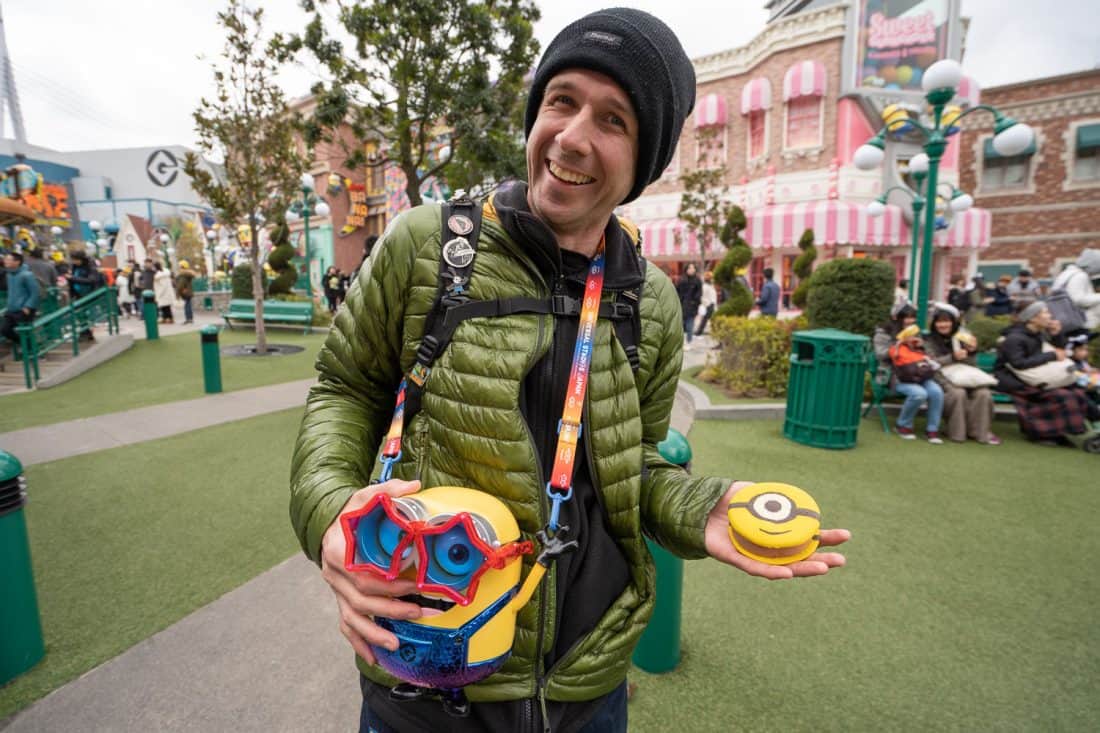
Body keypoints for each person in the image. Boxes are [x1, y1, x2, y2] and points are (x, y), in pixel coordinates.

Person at [289, 10, 848, 733]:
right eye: (562, 100)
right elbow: (346, 388)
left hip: (588, 686)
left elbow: (632, 463)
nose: (574, 135)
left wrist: (697, 506)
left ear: (643, 162)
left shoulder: (648, 299)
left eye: (613, 119)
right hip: (423, 677)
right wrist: (331, 513)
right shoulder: (428, 244)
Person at [993, 301, 1096, 446]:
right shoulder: (1014, 338)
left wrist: (1057, 335)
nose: (1050, 316)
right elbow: (1018, 363)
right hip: (1014, 380)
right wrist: (1051, 356)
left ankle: (1057, 432)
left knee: (1076, 392)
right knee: (1062, 395)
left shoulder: (1038, 334)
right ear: (1032, 318)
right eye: (1045, 312)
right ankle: (1042, 434)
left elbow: (1061, 353)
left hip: (1037, 377)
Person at [924, 304, 1000, 445]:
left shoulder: (963, 337)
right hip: (941, 376)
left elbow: (971, 365)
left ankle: (980, 432)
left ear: (954, 322)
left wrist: (971, 351)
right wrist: (952, 357)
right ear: (934, 323)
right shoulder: (928, 340)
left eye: (947, 321)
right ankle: (956, 432)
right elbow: (931, 363)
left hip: (966, 376)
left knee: (983, 393)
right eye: (939, 321)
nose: (943, 324)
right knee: (958, 393)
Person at [887, 323, 945, 443]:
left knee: (936, 392)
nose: (914, 338)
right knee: (919, 393)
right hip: (902, 380)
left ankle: (932, 429)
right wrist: (901, 344)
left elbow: (933, 361)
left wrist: (921, 348)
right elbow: (894, 356)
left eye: (916, 335)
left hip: (922, 378)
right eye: (911, 335)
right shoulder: (896, 347)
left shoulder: (921, 347)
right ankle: (902, 425)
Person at [1050, 248, 1100, 331]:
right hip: (1079, 321)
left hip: (1062, 316)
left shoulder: (1067, 273)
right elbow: (1078, 299)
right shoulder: (1080, 276)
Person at [2, 251, 39, 345]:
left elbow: (34, 292)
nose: (5, 261)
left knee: (26, 332)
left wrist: (28, 306)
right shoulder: (9, 275)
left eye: (8, 260)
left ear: (17, 262)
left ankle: (33, 350)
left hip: (23, 310)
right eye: (5, 259)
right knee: (5, 330)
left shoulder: (27, 275)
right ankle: (27, 346)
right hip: (11, 309)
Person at [676, 262, 702, 346]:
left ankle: (689, 342)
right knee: (681, 326)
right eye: (690, 268)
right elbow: (677, 292)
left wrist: (695, 303)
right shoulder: (681, 280)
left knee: (689, 325)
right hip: (681, 305)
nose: (691, 270)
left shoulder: (697, 280)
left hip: (692, 306)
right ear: (686, 269)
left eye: (693, 268)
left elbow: (699, 293)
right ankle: (681, 342)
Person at [694, 270, 717, 336]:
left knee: (710, 318)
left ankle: (700, 331)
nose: (712, 279)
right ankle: (699, 332)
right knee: (706, 319)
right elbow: (702, 296)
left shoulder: (711, 286)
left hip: (713, 304)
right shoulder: (704, 286)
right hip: (709, 305)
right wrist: (707, 304)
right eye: (711, 278)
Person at [175, 260, 198, 324]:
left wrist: (178, 293)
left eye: (179, 266)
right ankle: (189, 318)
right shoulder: (185, 274)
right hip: (186, 292)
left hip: (185, 292)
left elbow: (181, 284)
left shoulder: (183, 274)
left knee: (187, 305)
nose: (178, 268)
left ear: (182, 267)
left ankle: (188, 319)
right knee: (188, 305)